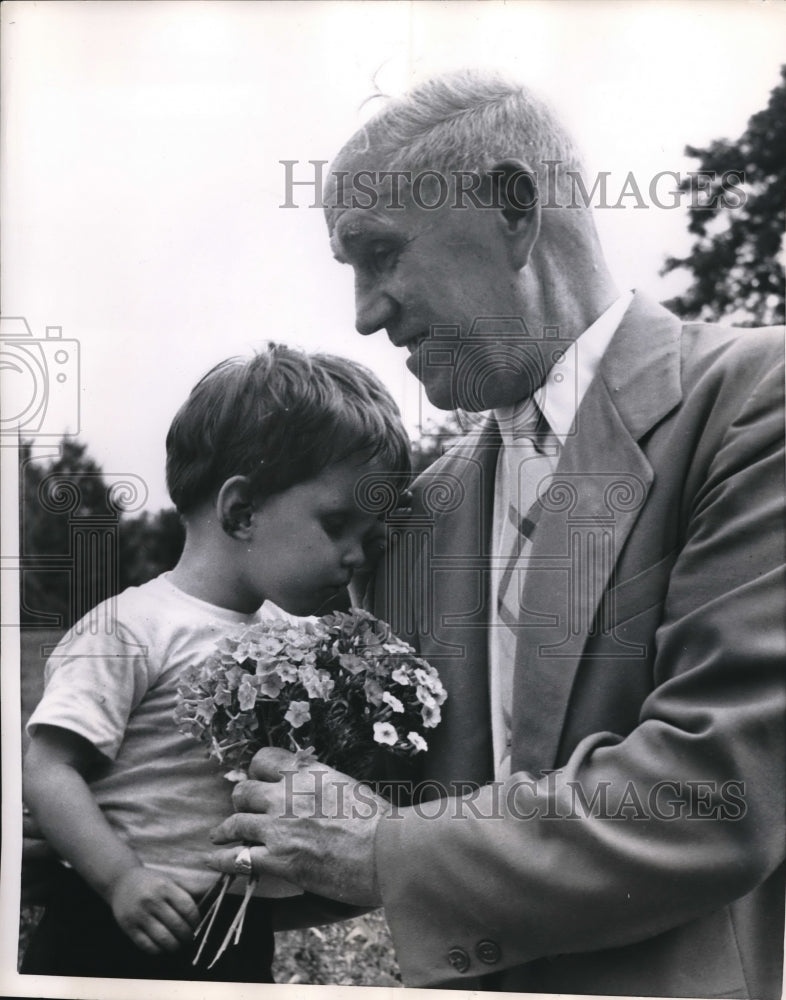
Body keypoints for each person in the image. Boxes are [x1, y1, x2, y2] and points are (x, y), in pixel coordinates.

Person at [207, 70, 786, 998]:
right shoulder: (414, 517)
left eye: (380, 254)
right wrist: (129, 829)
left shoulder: (753, 405)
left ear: (513, 208)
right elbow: (362, 813)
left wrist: (382, 853)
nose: (363, 312)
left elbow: (720, 791)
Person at [21, 343, 411, 981]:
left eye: (370, 537)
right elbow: (49, 770)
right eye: (337, 524)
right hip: (115, 922)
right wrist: (121, 879)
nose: (356, 557)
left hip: (238, 930)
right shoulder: (132, 625)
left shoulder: (301, 636)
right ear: (242, 511)